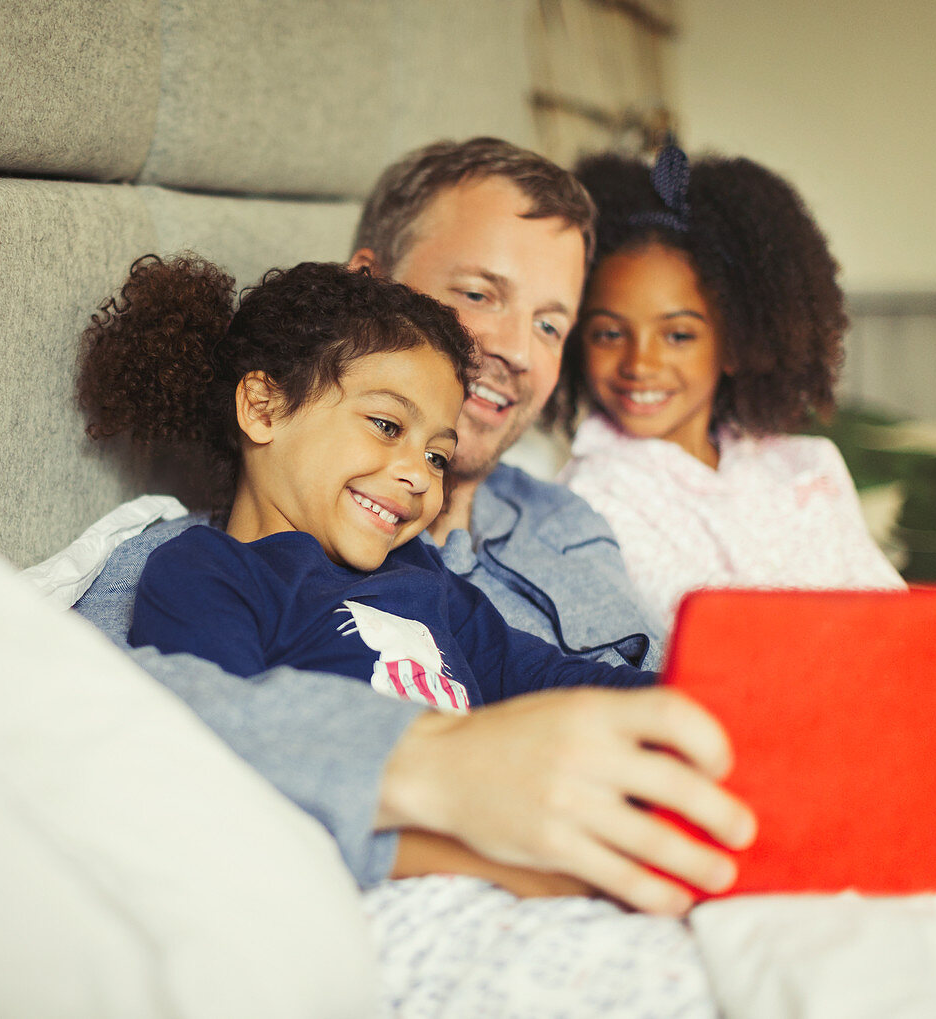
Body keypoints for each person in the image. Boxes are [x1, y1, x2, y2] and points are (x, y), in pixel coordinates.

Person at [72, 137, 755, 915]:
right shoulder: (193, 564)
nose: (510, 350)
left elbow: (540, 671)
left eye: (550, 324)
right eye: (479, 294)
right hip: (405, 881)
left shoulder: (530, 536)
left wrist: (723, 701)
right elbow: (166, 741)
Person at [80, 254, 655, 707]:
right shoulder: (208, 572)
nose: (416, 475)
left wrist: (691, 699)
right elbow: (230, 727)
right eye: (386, 425)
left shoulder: (424, 578)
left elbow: (541, 675)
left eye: (437, 456)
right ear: (264, 408)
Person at [552, 145, 905, 625]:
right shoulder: (588, 500)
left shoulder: (806, 467)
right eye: (610, 333)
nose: (640, 362)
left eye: (678, 335)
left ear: (737, 345)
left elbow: (896, 617)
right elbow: (720, 639)